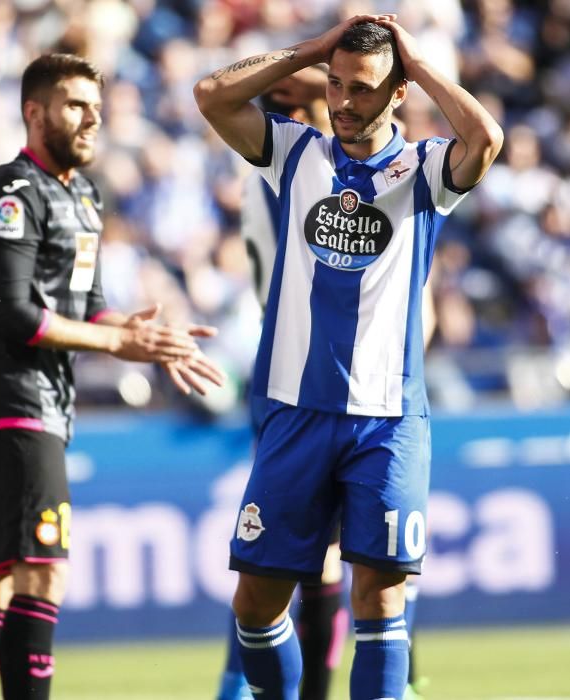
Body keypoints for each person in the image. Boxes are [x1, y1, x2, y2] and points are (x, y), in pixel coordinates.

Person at [195, 13, 503, 700]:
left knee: (380, 599)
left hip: (386, 418)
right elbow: (212, 93)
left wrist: (418, 65)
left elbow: (484, 138)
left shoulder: (423, 169)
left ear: (396, 93)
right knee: (255, 606)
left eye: (361, 89)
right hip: (294, 409)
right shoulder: (292, 151)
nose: (341, 102)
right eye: (333, 86)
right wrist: (311, 49)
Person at [0, 53, 224, 700]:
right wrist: (118, 342)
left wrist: (146, 337)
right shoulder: (12, 191)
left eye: (96, 105)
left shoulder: (83, 195)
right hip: (10, 398)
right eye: (75, 104)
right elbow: (13, 313)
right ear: (34, 112)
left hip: (43, 401)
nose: (92, 116)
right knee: (44, 574)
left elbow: (86, 305)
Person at [217, 65, 349, 700]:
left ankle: (238, 682)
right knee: (300, 558)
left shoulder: (275, 173)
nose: (329, 108)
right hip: (302, 378)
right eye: (309, 100)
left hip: (294, 371)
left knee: (292, 556)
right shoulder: (288, 171)